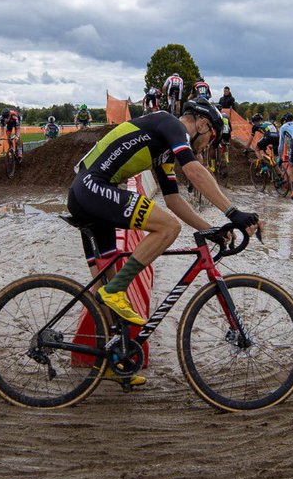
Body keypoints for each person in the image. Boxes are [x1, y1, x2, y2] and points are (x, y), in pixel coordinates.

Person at [68, 97, 259, 349]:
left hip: (87, 192)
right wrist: (233, 213)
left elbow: (174, 200)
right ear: (202, 124)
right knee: (169, 227)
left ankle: (115, 356)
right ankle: (116, 290)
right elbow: (193, 171)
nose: (207, 146)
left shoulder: (163, 151)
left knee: (105, 290)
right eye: (211, 137)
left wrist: (209, 230)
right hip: (93, 187)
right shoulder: (172, 124)